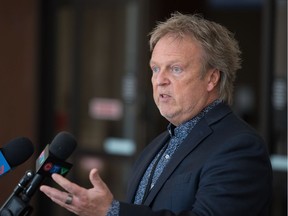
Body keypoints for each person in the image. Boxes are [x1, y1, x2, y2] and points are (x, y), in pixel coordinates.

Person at [40, 12, 272, 216]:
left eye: (176, 68)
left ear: (212, 78)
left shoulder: (239, 147)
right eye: (155, 69)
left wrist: (111, 212)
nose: (160, 80)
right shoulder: (156, 146)